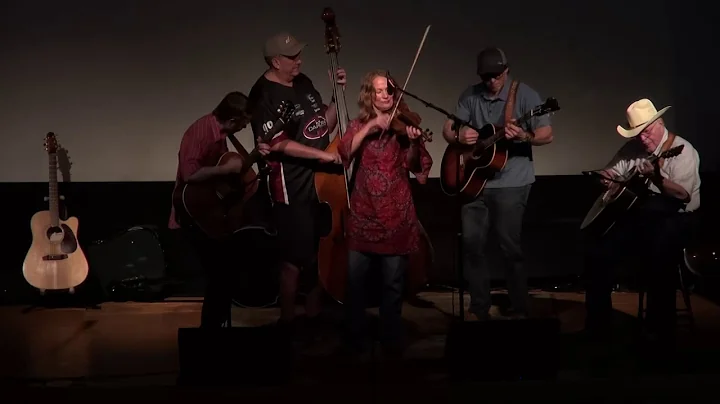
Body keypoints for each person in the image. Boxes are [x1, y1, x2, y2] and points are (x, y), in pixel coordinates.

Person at [441, 47, 553, 320]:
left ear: (506, 70)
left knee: (508, 246)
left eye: (496, 75)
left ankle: (518, 306)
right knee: (472, 244)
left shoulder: (524, 94)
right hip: (473, 184)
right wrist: (459, 135)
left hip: (512, 183)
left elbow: (546, 134)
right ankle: (479, 305)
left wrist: (524, 136)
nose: (491, 81)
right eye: (486, 76)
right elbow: (447, 129)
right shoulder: (470, 95)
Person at [583, 98, 701, 347]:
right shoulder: (632, 149)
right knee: (598, 253)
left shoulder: (682, 150)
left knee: (660, 255)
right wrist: (606, 179)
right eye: (638, 134)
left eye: (646, 132)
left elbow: (683, 195)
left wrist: (657, 179)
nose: (643, 139)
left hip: (677, 219)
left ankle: (661, 330)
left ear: (659, 123)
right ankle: (598, 328)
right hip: (641, 219)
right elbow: (611, 172)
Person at [248, 32, 345, 329]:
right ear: (275, 61)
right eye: (292, 57)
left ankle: (314, 317)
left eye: (299, 54)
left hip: (322, 183)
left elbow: (322, 126)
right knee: (294, 259)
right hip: (291, 186)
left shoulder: (303, 83)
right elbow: (277, 144)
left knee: (319, 255)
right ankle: (287, 322)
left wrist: (336, 95)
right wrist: (323, 158)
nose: (299, 60)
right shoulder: (263, 94)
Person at [337, 70, 432, 356]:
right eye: (379, 91)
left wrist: (414, 142)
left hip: (395, 217)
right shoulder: (358, 124)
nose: (385, 95)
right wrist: (371, 127)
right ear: (369, 95)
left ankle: (390, 337)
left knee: (393, 285)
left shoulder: (405, 127)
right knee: (355, 284)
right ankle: (355, 338)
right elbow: (344, 153)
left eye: (389, 90)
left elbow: (417, 168)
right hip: (364, 214)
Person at [169, 91, 270, 328]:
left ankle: (217, 330)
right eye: (244, 123)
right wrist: (225, 171)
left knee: (224, 275)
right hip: (195, 213)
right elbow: (189, 174)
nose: (245, 127)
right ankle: (211, 334)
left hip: (214, 214)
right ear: (233, 120)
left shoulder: (224, 135)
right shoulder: (200, 132)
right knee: (219, 276)